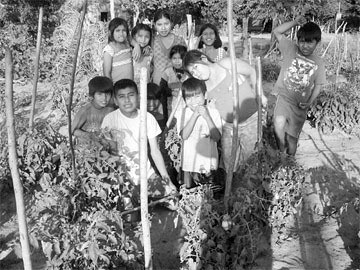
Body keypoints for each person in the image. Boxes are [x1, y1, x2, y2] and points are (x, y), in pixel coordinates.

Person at [183, 50, 267, 174]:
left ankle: (252, 190)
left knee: (252, 160)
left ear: (204, 59)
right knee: (229, 163)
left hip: (251, 121)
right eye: (192, 72)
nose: (196, 73)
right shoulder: (203, 85)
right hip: (229, 127)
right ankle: (234, 189)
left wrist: (260, 94)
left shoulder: (226, 64)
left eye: (196, 67)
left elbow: (252, 71)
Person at [101, 79, 177, 209]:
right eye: (122, 97)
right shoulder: (110, 119)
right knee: (129, 209)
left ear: (138, 96)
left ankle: (149, 197)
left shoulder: (147, 118)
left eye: (131, 95)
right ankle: (133, 198)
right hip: (123, 175)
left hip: (146, 174)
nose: (127, 100)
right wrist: (121, 180)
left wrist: (167, 180)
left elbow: (155, 151)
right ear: (115, 100)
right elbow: (109, 154)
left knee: (173, 203)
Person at [272, 16, 326, 156]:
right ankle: (282, 153)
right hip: (284, 98)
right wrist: (295, 22)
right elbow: (277, 31)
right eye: (302, 41)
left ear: (317, 43)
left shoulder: (318, 62)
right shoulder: (291, 48)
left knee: (292, 139)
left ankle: (290, 160)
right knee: (278, 125)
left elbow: (318, 86)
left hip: (300, 105)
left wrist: (309, 102)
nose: (305, 46)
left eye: (310, 42)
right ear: (297, 41)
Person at [175, 78, 222, 189]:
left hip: (208, 161)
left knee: (208, 191)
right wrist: (194, 116)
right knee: (188, 191)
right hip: (189, 161)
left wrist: (206, 117)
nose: (193, 101)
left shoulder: (213, 113)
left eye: (197, 96)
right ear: (184, 100)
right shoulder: (182, 114)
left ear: (205, 95)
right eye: (189, 98)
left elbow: (216, 137)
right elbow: (184, 136)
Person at [72, 76, 114, 148]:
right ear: (92, 95)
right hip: (86, 149)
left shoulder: (111, 110)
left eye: (107, 94)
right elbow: (72, 130)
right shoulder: (85, 111)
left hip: (105, 147)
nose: (104, 98)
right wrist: (90, 136)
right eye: (99, 94)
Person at [151, 9, 187, 85]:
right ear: (154, 25)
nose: (163, 28)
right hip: (158, 83)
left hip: (177, 83)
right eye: (159, 24)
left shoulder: (179, 41)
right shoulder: (152, 41)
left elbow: (186, 61)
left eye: (166, 24)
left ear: (171, 23)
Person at [159, 44, 189, 121]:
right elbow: (162, 88)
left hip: (186, 105)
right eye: (174, 58)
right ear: (170, 59)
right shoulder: (167, 72)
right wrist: (172, 93)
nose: (177, 61)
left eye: (180, 58)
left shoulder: (189, 73)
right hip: (170, 107)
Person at [103, 17, 133, 83]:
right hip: (117, 88)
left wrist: (136, 46)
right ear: (110, 32)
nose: (121, 34)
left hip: (130, 86)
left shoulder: (127, 45)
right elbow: (107, 72)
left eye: (124, 30)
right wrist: (110, 89)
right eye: (117, 31)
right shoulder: (109, 49)